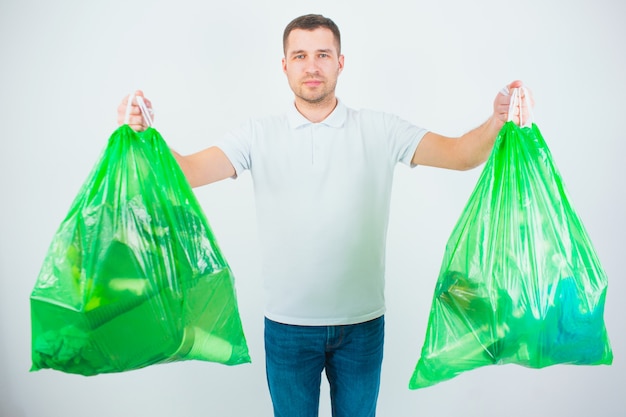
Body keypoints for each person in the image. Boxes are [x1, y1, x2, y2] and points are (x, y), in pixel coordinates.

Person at [118, 13, 532, 417]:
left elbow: (460, 155)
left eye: (322, 54)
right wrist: (143, 136)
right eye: (299, 56)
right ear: (284, 66)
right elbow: (187, 171)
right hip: (287, 328)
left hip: (362, 326)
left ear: (340, 62)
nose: (311, 66)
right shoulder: (257, 134)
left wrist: (497, 120)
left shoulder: (380, 129)